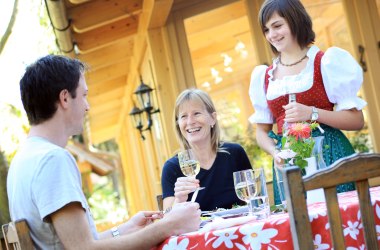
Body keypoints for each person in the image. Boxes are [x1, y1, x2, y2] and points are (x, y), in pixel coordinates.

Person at [6, 55, 201, 249]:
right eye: (83, 95)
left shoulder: (22, 160)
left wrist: (125, 229)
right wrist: (169, 226)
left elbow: (76, 242)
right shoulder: (52, 159)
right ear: (65, 98)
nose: (87, 106)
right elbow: (83, 249)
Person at [249, 0, 367, 205]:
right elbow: (261, 131)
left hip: (331, 158)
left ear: (295, 21)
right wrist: (275, 152)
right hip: (290, 166)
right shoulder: (264, 76)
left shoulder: (326, 62)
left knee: (341, 225)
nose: (272, 35)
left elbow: (357, 120)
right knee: (300, 229)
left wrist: (312, 113)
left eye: (277, 26)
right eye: (266, 30)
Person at [161, 88, 252, 212]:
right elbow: (167, 220)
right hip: (200, 231)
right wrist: (179, 200)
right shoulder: (172, 168)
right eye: (183, 116)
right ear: (178, 124)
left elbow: (254, 199)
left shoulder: (235, 153)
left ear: (212, 118)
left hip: (241, 228)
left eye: (196, 113)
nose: (190, 121)